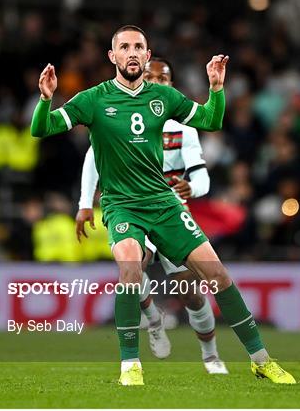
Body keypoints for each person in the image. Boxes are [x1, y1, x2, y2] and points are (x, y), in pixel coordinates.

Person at [31, 24, 295, 386]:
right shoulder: (93, 99)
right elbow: (41, 130)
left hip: (164, 203)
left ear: (147, 54)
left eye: (139, 46)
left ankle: (261, 359)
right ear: (113, 57)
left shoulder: (162, 98)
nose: (132, 52)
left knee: (217, 276)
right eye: (124, 47)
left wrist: (216, 89)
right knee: (129, 269)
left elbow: (211, 120)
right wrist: (45, 99)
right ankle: (130, 366)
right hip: (122, 205)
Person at [76, 57, 228, 374]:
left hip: (170, 212)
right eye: (151, 77)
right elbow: (93, 157)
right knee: (132, 265)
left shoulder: (183, 128)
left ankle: (211, 356)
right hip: (132, 207)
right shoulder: (119, 115)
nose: (157, 82)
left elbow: (201, 177)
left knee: (191, 294)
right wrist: (84, 202)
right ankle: (152, 317)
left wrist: (193, 189)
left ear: (171, 86)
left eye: (164, 78)